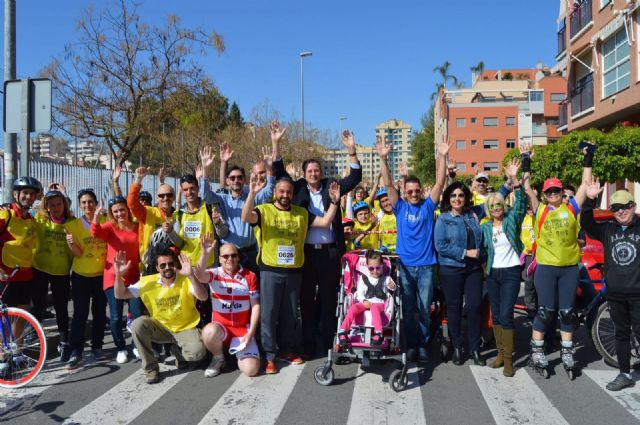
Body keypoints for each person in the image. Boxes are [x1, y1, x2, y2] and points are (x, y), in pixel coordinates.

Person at [272, 129, 362, 358]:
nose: (313, 174)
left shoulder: (331, 185)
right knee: (307, 301)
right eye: (309, 171)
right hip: (306, 254)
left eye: (317, 170)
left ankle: (331, 342)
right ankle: (308, 343)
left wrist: (351, 150)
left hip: (330, 254)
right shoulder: (298, 189)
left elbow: (354, 178)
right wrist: (276, 144)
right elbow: (278, 173)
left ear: (321, 173)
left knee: (329, 299)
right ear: (303, 174)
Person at [241, 173, 341, 374]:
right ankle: (269, 355)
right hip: (270, 271)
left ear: (293, 194)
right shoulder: (264, 210)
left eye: (289, 191)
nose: (285, 195)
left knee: (290, 314)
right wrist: (251, 193)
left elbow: (324, 222)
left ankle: (286, 350)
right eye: (281, 191)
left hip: (294, 271)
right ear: (275, 193)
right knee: (269, 314)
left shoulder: (301, 213)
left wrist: (335, 203)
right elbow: (246, 217)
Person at [375, 134, 449, 363]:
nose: (414, 194)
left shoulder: (428, 207)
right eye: (410, 191)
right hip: (405, 268)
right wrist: (384, 160)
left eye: (417, 191)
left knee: (424, 309)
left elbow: (439, 183)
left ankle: (424, 344)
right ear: (405, 193)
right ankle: (412, 345)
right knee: (408, 311)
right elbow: (388, 184)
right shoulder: (399, 208)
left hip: (427, 267)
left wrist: (443, 156)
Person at [523, 142, 591, 375]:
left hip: (569, 268)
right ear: (544, 195)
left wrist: (588, 157)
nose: (554, 194)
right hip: (546, 268)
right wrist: (525, 160)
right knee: (545, 311)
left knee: (567, 312)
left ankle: (567, 351)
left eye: (557, 191)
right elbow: (526, 186)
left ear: (563, 193)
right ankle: (538, 351)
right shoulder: (540, 210)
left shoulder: (571, 208)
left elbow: (584, 184)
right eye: (550, 191)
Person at [199, 122, 282, 274]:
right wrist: (206, 169)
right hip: (229, 255)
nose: (236, 180)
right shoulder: (222, 199)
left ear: (244, 179)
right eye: (232, 178)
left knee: (252, 292)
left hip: (251, 253)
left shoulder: (254, 195)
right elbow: (205, 195)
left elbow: (270, 191)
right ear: (228, 181)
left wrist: (270, 169)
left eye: (239, 177)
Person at [114, 249, 206, 384]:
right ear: (157, 268)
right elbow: (120, 295)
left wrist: (192, 276)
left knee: (198, 353)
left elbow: (203, 296)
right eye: (162, 265)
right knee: (137, 325)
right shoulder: (146, 282)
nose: (167, 268)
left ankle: (178, 352)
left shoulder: (186, 279)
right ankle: (151, 369)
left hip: (185, 327)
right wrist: (118, 276)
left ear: (176, 264)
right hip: (160, 326)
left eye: (170, 264)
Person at [581, 183, 640, 391]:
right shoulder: (608, 229)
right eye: (615, 208)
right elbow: (586, 222)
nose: (620, 211)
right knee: (622, 335)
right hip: (615, 294)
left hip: (637, 294)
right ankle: (624, 374)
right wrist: (589, 200)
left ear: (633, 206)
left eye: (624, 206)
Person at [481, 159, 525, 376]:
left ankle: (509, 359)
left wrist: (515, 180)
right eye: (492, 206)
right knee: (496, 315)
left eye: (499, 204)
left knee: (507, 315)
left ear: (503, 206)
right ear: (489, 209)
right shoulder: (487, 227)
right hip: (493, 273)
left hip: (511, 272)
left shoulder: (511, 220)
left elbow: (521, 205)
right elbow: (482, 250)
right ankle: (500, 353)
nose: (496, 208)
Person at [434, 181, 486, 365]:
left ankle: (474, 348)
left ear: (466, 198)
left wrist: (511, 182)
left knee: (474, 307)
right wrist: (465, 252)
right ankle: (457, 346)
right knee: (454, 308)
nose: (457, 199)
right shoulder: (443, 219)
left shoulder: (473, 214)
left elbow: (496, 204)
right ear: (449, 198)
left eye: (461, 195)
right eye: (454, 195)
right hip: (451, 268)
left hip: (473, 269)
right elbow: (440, 246)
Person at [195, 239, 261, 378]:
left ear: (238, 257)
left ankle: (238, 353)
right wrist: (205, 254)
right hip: (221, 328)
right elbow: (200, 275)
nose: (229, 259)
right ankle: (219, 358)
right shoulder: (215, 273)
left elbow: (255, 306)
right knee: (208, 332)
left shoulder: (250, 276)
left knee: (251, 370)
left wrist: (251, 333)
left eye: (233, 255)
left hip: (242, 329)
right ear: (219, 259)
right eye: (225, 256)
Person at [91, 196, 143, 364]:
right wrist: (96, 216)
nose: (120, 213)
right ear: (112, 214)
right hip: (113, 277)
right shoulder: (110, 227)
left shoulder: (137, 227)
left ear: (127, 210)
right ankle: (121, 348)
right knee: (115, 316)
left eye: (122, 209)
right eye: (116, 211)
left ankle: (136, 345)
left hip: (134, 277)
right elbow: (95, 232)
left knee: (137, 315)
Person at [64, 188, 108, 369]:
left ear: (96, 203)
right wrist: (72, 244)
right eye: (83, 202)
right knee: (80, 314)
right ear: (79, 205)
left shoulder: (105, 221)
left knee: (99, 313)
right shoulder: (72, 226)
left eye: (90, 201)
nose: (87, 205)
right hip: (81, 276)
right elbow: (78, 253)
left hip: (102, 275)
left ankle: (97, 345)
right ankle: (76, 350)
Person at [32, 187, 74, 361]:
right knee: (39, 304)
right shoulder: (40, 219)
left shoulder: (71, 222)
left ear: (64, 205)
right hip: (40, 268)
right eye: (52, 205)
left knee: (61, 307)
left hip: (61, 271)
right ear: (46, 207)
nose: (56, 208)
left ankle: (64, 342)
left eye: (59, 204)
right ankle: (33, 335)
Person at [337, 250, 396, 346]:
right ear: (367, 268)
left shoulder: (386, 279)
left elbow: (392, 287)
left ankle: (378, 333)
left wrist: (392, 286)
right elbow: (359, 293)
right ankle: (343, 330)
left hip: (380, 304)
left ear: (382, 266)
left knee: (374, 308)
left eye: (378, 268)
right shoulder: (363, 279)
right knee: (354, 307)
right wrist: (364, 300)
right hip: (365, 302)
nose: (375, 271)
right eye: (371, 268)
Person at [0, 178, 41, 309]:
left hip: (25, 274)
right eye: (25, 192)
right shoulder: (5, 214)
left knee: (22, 314)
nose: (29, 196)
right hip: (5, 275)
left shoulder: (32, 220)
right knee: (6, 316)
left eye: (32, 194)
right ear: (15, 194)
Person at [127, 166, 176, 274]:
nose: (165, 198)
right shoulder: (148, 212)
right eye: (161, 196)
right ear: (157, 198)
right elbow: (132, 203)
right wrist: (138, 181)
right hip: (149, 265)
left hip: (171, 265)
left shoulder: (179, 216)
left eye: (169, 195)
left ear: (174, 197)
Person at [374, 188, 397, 254]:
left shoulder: (400, 213)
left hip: (400, 250)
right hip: (385, 251)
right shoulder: (379, 216)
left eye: (387, 200)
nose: (385, 204)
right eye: (382, 202)